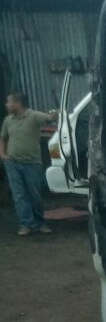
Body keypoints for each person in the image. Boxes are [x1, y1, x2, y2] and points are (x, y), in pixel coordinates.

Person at [0, 92, 55, 235]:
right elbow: (3, 138)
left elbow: (49, 118)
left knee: (34, 194)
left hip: (32, 164)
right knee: (19, 195)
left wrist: (55, 113)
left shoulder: (33, 116)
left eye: (9, 102)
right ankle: (26, 224)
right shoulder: (8, 120)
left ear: (18, 103)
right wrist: (3, 155)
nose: (7, 105)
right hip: (12, 163)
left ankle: (40, 222)